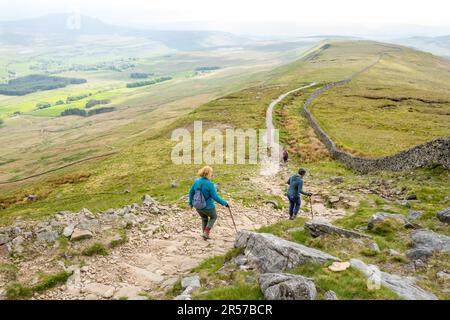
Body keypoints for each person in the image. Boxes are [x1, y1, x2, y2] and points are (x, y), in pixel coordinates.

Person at [189, 166, 229, 240]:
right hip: (208, 207)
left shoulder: (196, 181)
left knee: (204, 218)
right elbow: (215, 197)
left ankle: (205, 235)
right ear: (208, 174)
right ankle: (206, 232)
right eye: (211, 173)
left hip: (197, 206)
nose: (211, 175)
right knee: (214, 217)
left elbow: (191, 193)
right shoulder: (210, 185)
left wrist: (190, 203)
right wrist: (225, 203)